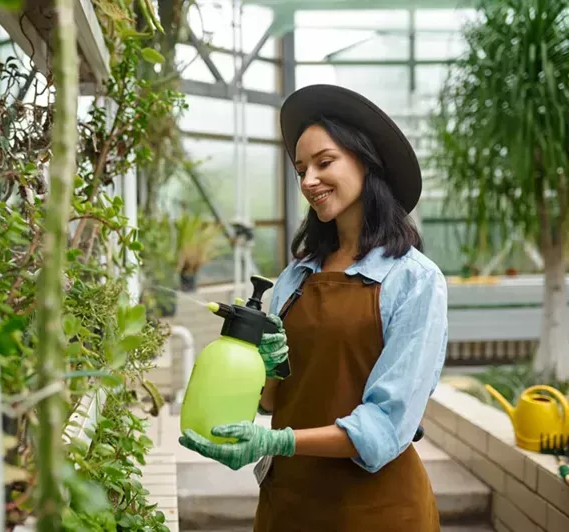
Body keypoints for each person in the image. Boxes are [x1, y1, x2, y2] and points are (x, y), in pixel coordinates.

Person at [178, 84, 448, 531]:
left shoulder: (414, 281)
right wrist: (262, 373)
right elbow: (271, 401)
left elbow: (385, 426)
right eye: (301, 168)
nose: (307, 181)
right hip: (288, 507)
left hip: (377, 512)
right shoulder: (295, 277)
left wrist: (276, 440)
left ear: (366, 160)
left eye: (324, 163)